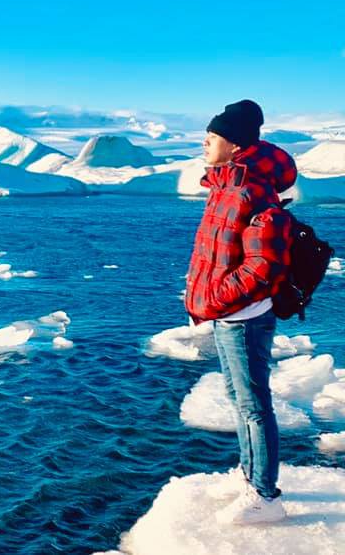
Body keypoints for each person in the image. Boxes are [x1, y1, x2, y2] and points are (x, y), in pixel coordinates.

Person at [184, 99, 298, 525]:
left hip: (244, 315)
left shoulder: (251, 192)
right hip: (229, 312)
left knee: (254, 405)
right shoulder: (224, 186)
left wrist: (215, 298)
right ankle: (250, 477)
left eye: (210, 138)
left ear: (233, 145)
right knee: (237, 398)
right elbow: (218, 252)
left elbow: (262, 266)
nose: (203, 144)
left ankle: (266, 496)